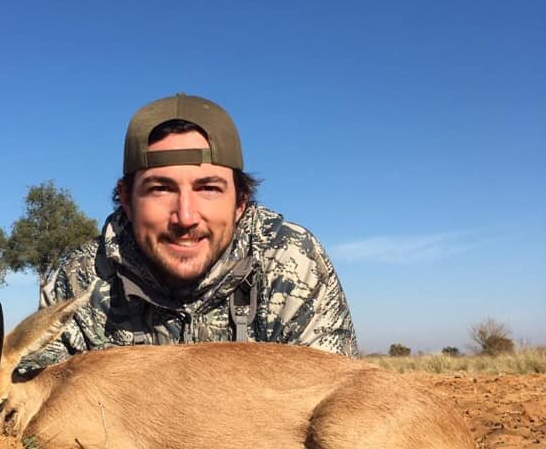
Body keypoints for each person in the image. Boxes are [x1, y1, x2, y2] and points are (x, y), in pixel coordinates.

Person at [23, 93, 357, 370]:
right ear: (126, 200)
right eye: (160, 189)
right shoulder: (79, 279)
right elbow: (34, 407)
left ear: (241, 202)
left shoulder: (291, 259)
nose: (185, 217)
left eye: (208, 188)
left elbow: (339, 398)